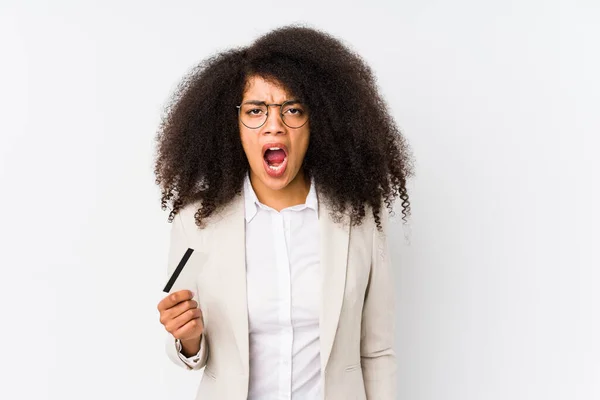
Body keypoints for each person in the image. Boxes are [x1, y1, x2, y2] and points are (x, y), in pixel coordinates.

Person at [155, 25, 413, 400]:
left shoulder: (360, 218)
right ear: (233, 124)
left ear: (317, 121)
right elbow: (179, 340)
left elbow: (377, 352)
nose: (274, 126)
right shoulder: (196, 221)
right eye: (256, 110)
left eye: (292, 109)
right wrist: (188, 340)